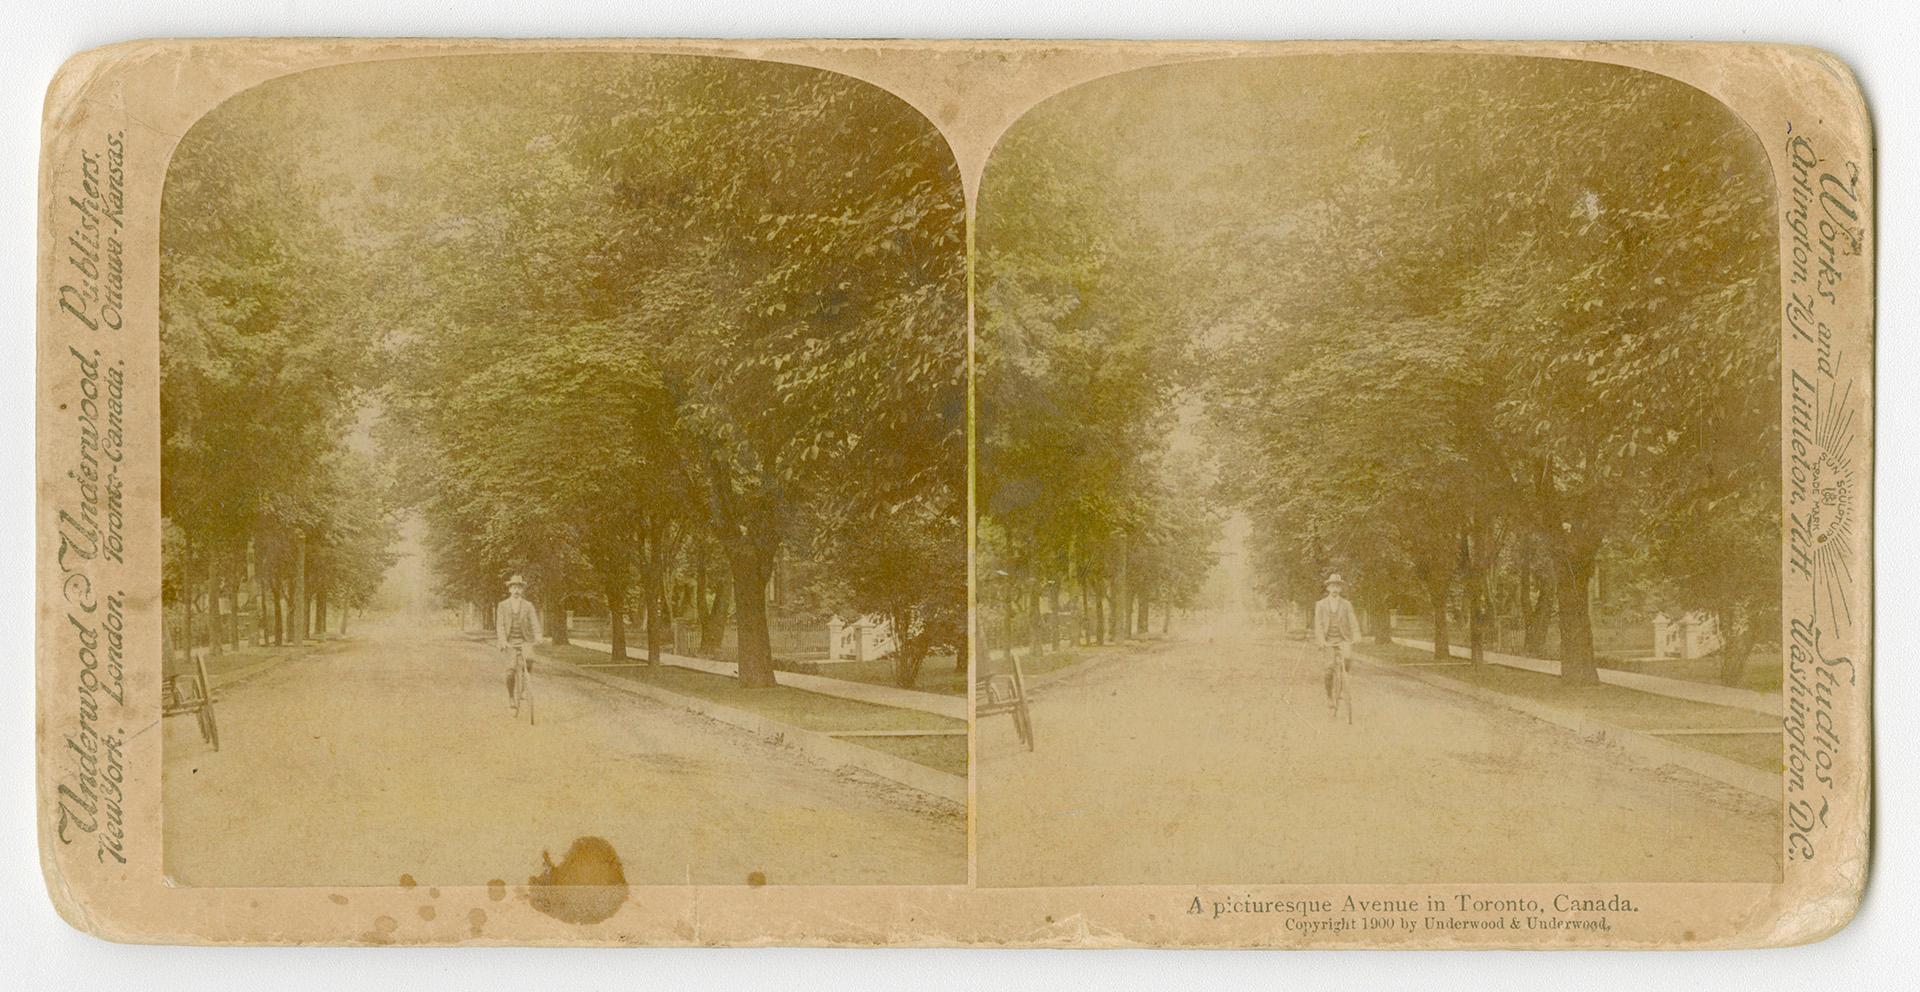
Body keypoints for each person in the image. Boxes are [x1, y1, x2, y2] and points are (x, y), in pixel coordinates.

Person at [496, 574, 544, 709]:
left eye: (519, 587)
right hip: (509, 641)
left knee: (529, 660)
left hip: (524, 640)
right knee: (510, 671)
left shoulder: (528, 606)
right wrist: (503, 640)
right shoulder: (502, 605)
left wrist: (538, 635)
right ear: (509, 589)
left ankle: (523, 686)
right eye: (514, 587)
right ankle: (511, 696)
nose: (516, 590)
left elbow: (534, 622)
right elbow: (500, 625)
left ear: (522, 590)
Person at [1312, 573, 1362, 700]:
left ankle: (1341, 682)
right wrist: (1321, 641)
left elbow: (1353, 620)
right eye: (1332, 586)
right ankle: (1329, 696)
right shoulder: (1320, 604)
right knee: (1329, 669)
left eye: (1337, 586)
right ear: (1328, 588)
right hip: (1328, 640)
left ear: (1340, 589)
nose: (1335, 589)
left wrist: (1356, 635)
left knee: (1348, 659)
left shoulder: (1346, 604)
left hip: (1343, 638)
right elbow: (1318, 625)